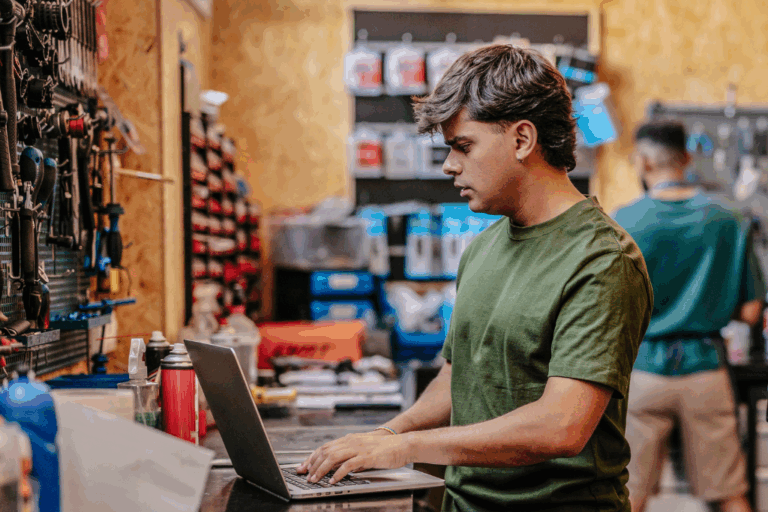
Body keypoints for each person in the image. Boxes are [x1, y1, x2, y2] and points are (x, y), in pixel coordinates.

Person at [297, 44, 652, 511]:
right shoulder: (483, 248)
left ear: (522, 139)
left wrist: (406, 449)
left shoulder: (602, 259)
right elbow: (456, 378)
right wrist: (385, 435)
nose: (449, 165)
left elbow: (562, 425)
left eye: (463, 146)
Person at [613, 121, 765, 512]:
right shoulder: (729, 219)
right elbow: (751, 312)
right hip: (705, 372)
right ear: (686, 158)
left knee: (631, 496)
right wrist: (709, 304)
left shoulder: (624, 221)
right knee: (730, 495)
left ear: (643, 161)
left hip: (644, 371)